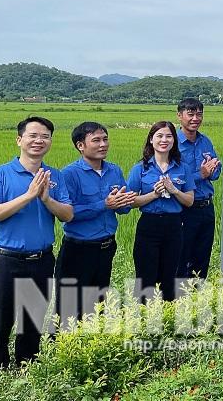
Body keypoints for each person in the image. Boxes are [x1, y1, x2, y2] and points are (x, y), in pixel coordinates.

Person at [0, 116, 73, 371]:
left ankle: (27, 369)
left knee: (32, 321)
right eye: (33, 135)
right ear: (19, 139)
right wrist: (29, 195)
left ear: (51, 141)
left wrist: (46, 199)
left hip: (41, 260)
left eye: (45, 136)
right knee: (0, 320)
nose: (39, 140)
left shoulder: (55, 177)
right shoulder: (0, 175)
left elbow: (67, 215)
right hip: (7, 260)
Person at [56, 122, 136, 326]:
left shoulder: (114, 170)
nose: (103, 145)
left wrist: (125, 202)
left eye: (105, 139)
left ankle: (92, 349)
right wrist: (105, 204)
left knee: (97, 303)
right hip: (78, 250)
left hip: (106, 247)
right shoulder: (69, 174)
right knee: (69, 307)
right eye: (96, 140)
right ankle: (65, 350)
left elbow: (123, 209)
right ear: (80, 145)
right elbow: (69, 213)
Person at [126, 121, 194, 302]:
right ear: (151, 140)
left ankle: (166, 321)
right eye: (159, 136)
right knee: (145, 277)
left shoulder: (182, 168)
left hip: (173, 226)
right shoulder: (140, 168)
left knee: (170, 276)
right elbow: (131, 201)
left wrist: (174, 190)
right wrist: (154, 194)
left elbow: (189, 200)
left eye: (169, 136)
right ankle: (143, 320)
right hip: (149, 225)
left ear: (174, 141)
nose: (164, 140)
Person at [175, 97, 222, 280]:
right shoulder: (172, 144)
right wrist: (200, 174)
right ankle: (179, 301)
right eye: (191, 114)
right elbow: (173, 180)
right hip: (185, 209)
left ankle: (198, 298)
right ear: (180, 116)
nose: (195, 118)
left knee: (202, 257)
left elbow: (216, 171)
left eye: (199, 114)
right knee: (182, 257)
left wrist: (211, 171)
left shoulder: (205, 141)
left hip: (206, 207)